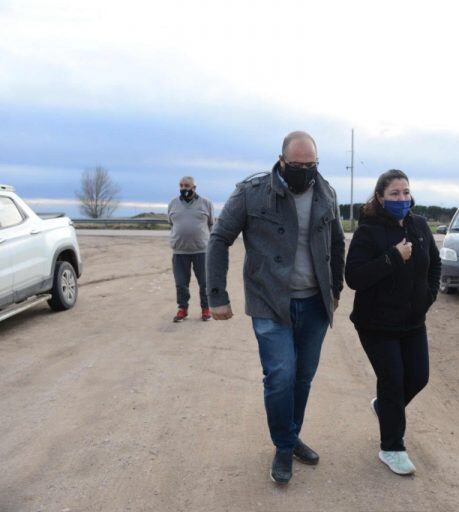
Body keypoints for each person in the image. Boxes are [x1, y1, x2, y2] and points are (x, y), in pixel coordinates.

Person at [206, 131, 345, 485]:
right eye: (297, 165)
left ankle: (291, 434)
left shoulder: (326, 191)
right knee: (280, 377)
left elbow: (337, 241)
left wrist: (335, 288)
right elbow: (220, 238)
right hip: (271, 302)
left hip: (314, 304)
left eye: (311, 165)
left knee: (302, 377)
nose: (304, 171)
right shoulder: (252, 193)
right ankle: (283, 446)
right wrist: (217, 295)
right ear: (281, 161)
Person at [345, 169, 440, 476]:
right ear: (380, 198)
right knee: (393, 380)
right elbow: (354, 278)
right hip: (377, 324)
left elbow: (434, 264)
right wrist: (392, 257)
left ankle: (384, 406)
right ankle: (392, 448)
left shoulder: (420, 225)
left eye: (406, 192)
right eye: (394, 194)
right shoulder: (369, 231)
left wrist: (428, 296)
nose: (402, 199)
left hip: (413, 320)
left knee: (419, 377)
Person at [167, 176, 214, 322]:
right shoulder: (173, 204)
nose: (183, 188)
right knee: (181, 283)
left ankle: (206, 309)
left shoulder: (206, 203)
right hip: (180, 252)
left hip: (202, 251)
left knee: (205, 283)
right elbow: (171, 223)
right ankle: (182, 309)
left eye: (186, 186)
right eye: (181, 185)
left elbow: (211, 224)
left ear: (194, 187)